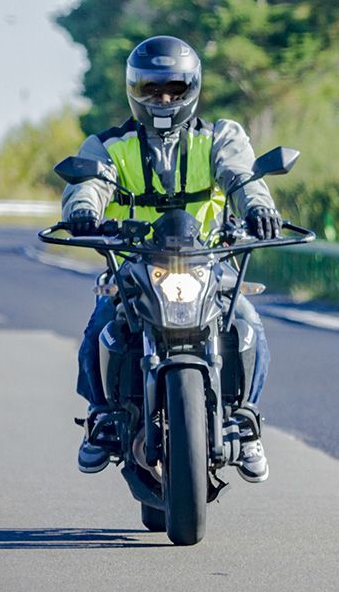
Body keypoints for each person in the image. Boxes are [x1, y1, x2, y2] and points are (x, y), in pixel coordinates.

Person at [61, 35, 284, 482]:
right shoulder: (110, 145)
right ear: (134, 91)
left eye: (174, 90)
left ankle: (246, 418)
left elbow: (242, 176)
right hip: (136, 265)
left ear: (191, 90)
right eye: (152, 89)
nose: (163, 99)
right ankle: (100, 417)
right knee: (102, 322)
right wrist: (83, 210)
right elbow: (90, 183)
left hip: (208, 261)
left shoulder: (219, 137)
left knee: (246, 320)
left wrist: (259, 207)